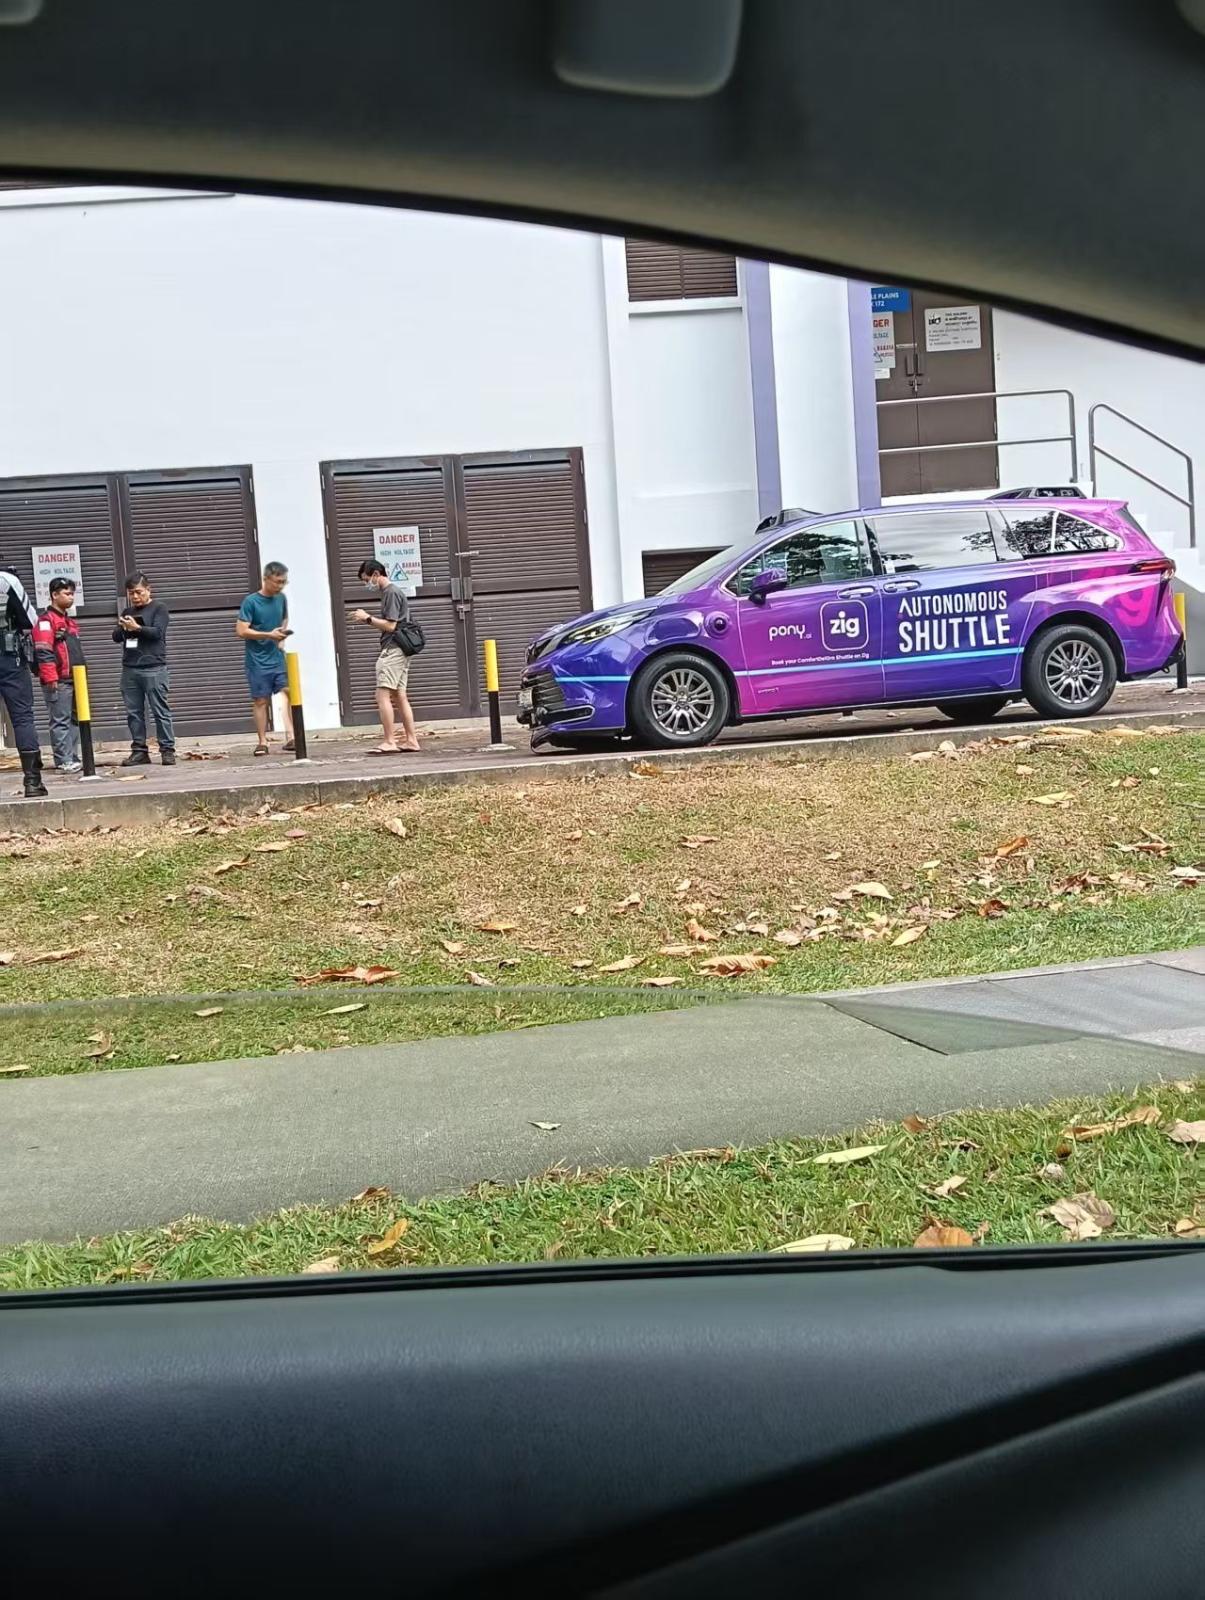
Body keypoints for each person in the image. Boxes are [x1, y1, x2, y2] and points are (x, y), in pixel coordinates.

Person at [354, 558, 420, 754]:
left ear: (376, 574)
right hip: (401, 650)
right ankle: (411, 740)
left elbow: (391, 625)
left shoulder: (390, 592)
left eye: (367, 580)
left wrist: (367, 618)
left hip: (393, 649)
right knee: (400, 696)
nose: (367, 584)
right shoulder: (392, 592)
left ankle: (390, 741)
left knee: (382, 695)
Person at [113, 571, 176, 766]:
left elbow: (157, 633)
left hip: (154, 667)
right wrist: (123, 628)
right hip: (130, 668)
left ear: (149, 590)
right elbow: (115, 637)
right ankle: (139, 750)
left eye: (139, 592)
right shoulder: (128, 612)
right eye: (131, 593)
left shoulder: (159, 608)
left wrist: (137, 629)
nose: (135, 597)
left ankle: (167, 750)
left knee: (160, 710)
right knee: (133, 712)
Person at [235, 560, 294, 756]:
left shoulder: (282, 599)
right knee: (261, 700)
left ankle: (292, 736)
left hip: (277, 657)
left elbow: (284, 618)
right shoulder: (251, 602)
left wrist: (282, 635)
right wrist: (269, 635)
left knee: (290, 692)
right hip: (257, 660)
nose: (280, 586)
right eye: (277, 581)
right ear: (266, 579)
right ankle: (262, 741)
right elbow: (241, 630)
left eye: (284, 582)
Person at [0, 562, 47, 796]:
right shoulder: (7, 581)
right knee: (22, 717)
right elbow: (31, 620)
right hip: (8, 656)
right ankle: (32, 781)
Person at [32, 577, 84, 774]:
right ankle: (63, 760)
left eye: (72, 594)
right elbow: (43, 652)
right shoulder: (46, 622)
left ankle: (73, 757)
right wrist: (50, 677)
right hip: (58, 680)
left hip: (75, 678)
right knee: (60, 720)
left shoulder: (69, 622)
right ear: (54, 595)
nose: (71, 597)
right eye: (66, 593)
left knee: (74, 720)